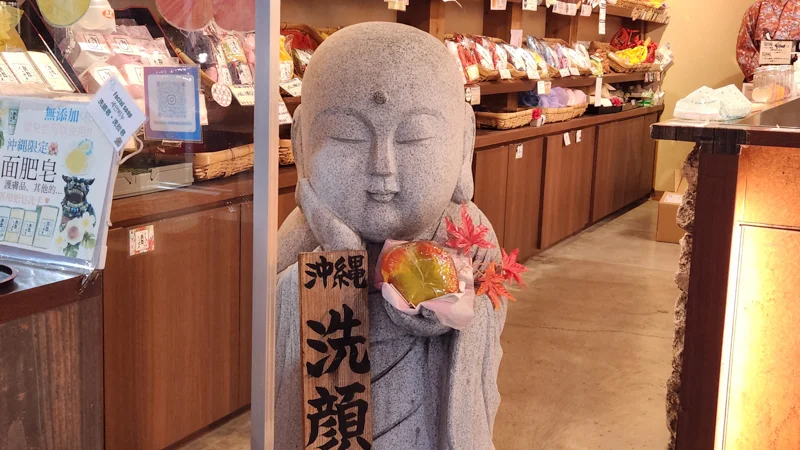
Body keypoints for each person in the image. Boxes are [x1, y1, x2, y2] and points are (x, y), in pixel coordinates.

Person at [273, 22, 507, 449]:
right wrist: (336, 264)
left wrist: (430, 292)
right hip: (334, 429)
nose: (383, 167)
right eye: (348, 136)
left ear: (463, 143)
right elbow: (274, 334)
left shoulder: (464, 227)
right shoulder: (304, 235)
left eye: (414, 137)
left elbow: (488, 310)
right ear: (302, 141)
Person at [737, 0, 800, 80]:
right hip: (760, 80)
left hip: (795, 81)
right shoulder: (756, 9)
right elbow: (744, 48)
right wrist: (761, 77)